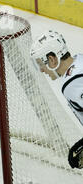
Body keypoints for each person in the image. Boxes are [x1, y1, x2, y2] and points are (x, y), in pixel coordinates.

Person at [30, 30, 83, 168]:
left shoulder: (72, 84)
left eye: (41, 63)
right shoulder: (80, 60)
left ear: (53, 59)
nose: (42, 70)